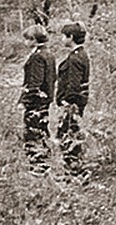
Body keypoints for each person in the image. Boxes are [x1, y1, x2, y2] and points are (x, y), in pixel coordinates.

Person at [56, 20, 91, 176]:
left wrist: (66, 101)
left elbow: (73, 84)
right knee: (71, 135)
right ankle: (75, 170)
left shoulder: (75, 59)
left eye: (64, 36)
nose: (62, 39)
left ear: (70, 37)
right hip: (77, 104)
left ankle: (75, 172)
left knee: (68, 137)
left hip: (72, 105)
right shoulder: (81, 55)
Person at [18, 24, 54, 172]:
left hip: (35, 102)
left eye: (27, 39)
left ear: (33, 39)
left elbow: (34, 82)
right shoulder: (49, 54)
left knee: (32, 132)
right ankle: (45, 162)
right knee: (42, 130)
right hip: (45, 100)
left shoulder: (37, 57)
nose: (25, 42)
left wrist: (24, 101)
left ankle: (38, 166)